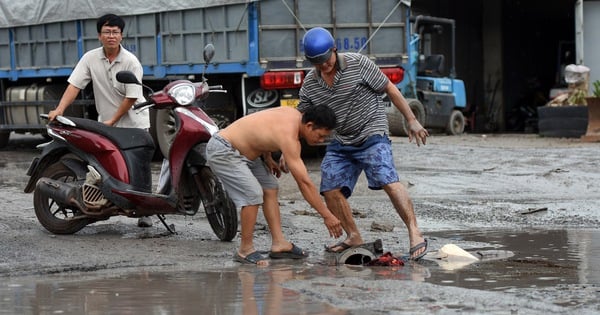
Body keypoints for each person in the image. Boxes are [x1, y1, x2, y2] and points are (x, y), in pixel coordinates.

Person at [294, 27, 430, 260]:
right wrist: (283, 151)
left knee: (388, 180)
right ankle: (354, 236)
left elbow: (389, 88)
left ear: (334, 50)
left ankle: (414, 232)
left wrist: (412, 120)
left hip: (371, 131)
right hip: (340, 139)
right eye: (317, 62)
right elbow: (300, 119)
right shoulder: (310, 84)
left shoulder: (359, 64)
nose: (323, 66)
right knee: (330, 188)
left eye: (326, 60)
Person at [48, 14, 153, 228]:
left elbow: (131, 96)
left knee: (139, 165)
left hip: (133, 122)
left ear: (122, 35)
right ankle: (107, 201)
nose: (111, 36)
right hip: (107, 123)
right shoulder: (90, 58)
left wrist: (113, 120)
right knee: (104, 163)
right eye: (107, 32)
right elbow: (75, 85)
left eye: (115, 32)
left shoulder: (131, 61)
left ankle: (145, 212)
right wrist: (59, 109)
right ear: (99, 36)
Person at [205, 105, 343, 266]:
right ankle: (245, 250)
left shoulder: (293, 114)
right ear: (310, 125)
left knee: (270, 186)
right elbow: (304, 183)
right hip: (224, 149)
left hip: (248, 153)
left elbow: (263, 125)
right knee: (253, 195)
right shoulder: (289, 137)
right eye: (320, 136)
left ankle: (279, 244)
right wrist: (327, 215)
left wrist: (267, 156)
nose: (321, 141)